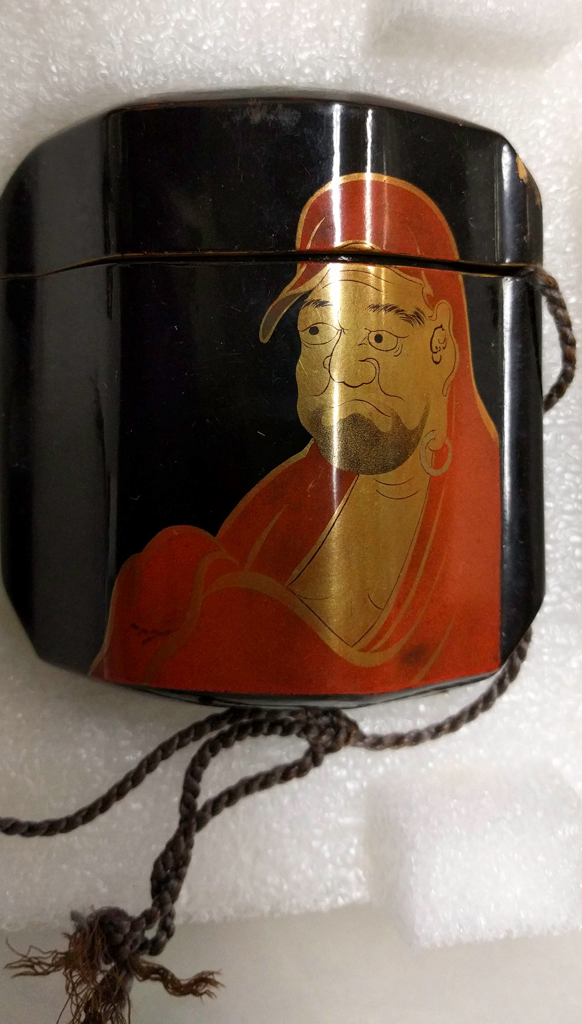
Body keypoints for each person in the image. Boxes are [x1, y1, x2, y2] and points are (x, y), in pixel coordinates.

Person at [92, 173, 501, 697]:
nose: (343, 371)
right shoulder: (287, 500)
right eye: (317, 333)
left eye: (380, 336)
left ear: (440, 342)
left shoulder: (487, 513)